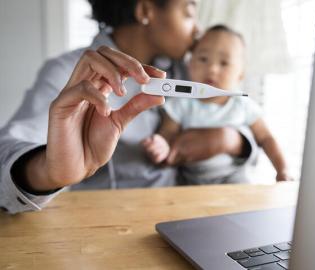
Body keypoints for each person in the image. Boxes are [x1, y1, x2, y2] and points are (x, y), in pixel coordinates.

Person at [0, 1, 258, 214]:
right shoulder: (68, 74)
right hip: (106, 222)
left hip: (182, 212)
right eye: (189, 13)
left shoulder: (185, 70)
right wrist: (48, 171)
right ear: (146, 11)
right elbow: (6, 152)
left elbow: (235, 115)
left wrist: (232, 140)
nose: (198, 32)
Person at [142, 25, 291, 185]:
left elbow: (266, 138)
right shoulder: (181, 103)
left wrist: (282, 170)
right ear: (190, 64)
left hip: (234, 177)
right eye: (203, 59)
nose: (212, 69)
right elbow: (167, 134)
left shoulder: (242, 105)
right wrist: (161, 145)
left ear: (240, 74)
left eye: (224, 63)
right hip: (190, 181)